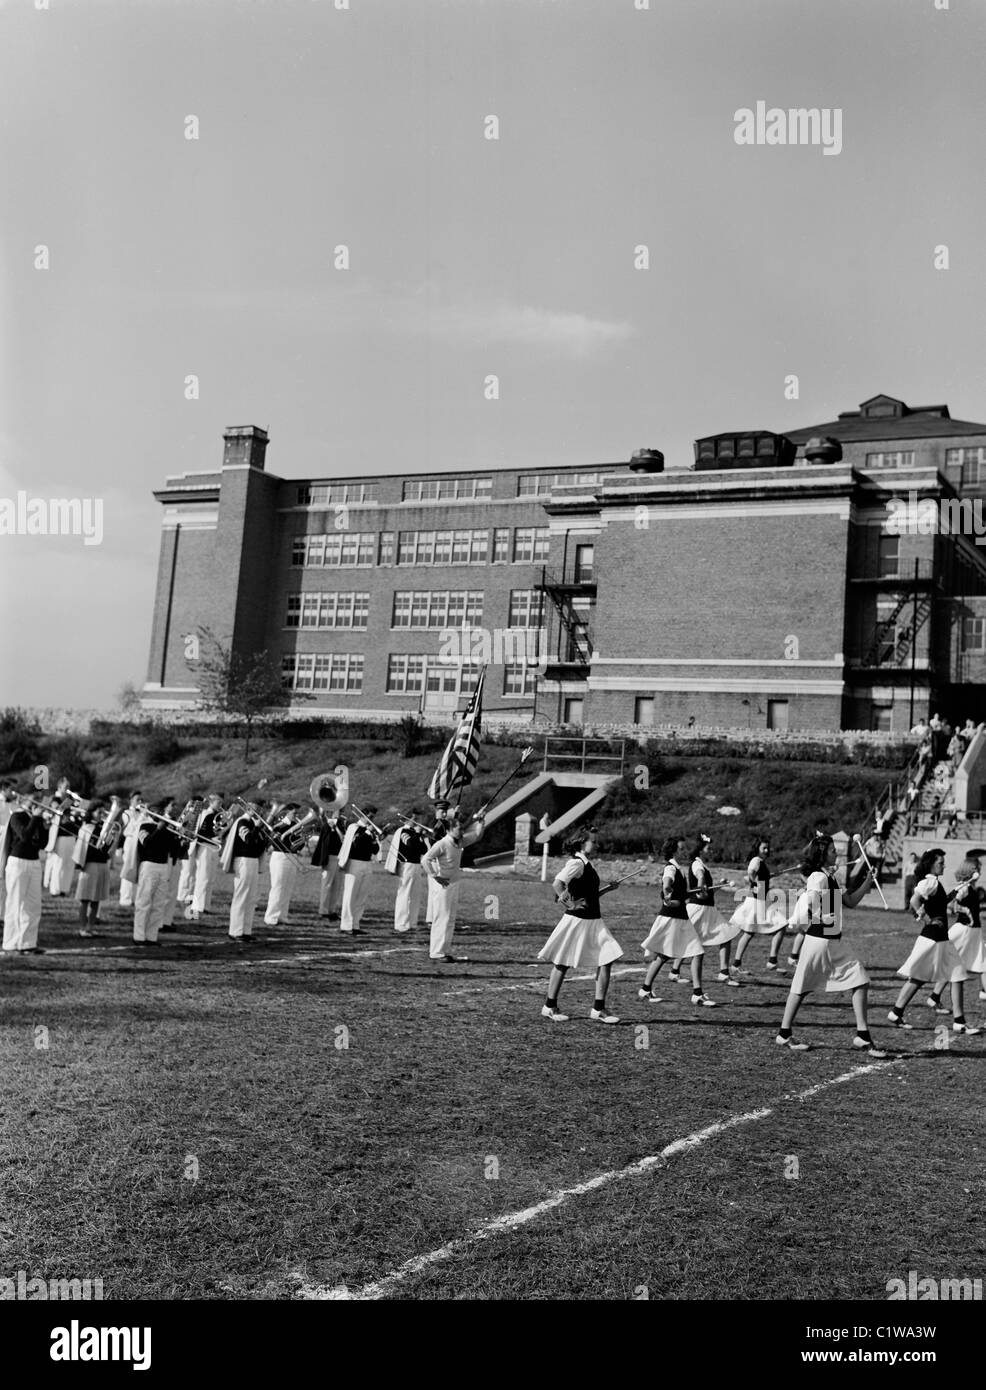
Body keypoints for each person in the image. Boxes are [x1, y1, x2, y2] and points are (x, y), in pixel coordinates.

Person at [775, 836, 886, 1055]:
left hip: (829, 941)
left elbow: (851, 901)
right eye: (833, 850)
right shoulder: (818, 876)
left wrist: (867, 881)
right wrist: (818, 916)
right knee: (803, 988)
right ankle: (784, 1033)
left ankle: (861, 1036)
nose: (836, 853)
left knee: (856, 980)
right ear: (822, 854)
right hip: (820, 941)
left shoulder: (830, 877)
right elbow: (810, 900)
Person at [888, 850, 981, 1035]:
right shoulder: (929, 882)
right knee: (921, 977)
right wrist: (927, 919)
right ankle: (896, 1012)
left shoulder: (934, 883)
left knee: (955, 975)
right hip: (932, 938)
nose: (944, 865)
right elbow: (914, 901)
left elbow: (942, 902)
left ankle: (958, 1021)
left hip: (940, 939)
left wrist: (957, 889)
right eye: (940, 862)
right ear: (931, 864)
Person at [539, 828, 623, 1023]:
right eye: (593, 841)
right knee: (562, 963)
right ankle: (549, 1006)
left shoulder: (586, 863)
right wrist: (571, 904)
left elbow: (589, 895)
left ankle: (598, 1009)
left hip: (594, 920)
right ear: (581, 843)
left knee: (607, 959)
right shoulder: (576, 863)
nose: (596, 844)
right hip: (578, 920)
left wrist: (607, 890)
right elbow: (557, 884)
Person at [638, 835, 716, 1007]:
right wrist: (667, 895)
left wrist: (695, 893)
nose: (684, 851)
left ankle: (646, 988)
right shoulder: (671, 868)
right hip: (672, 917)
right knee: (691, 953)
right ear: (673, 850)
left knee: (668, 955)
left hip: (680, 917)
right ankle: (697, 994)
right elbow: (667, 884)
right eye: (681, 848)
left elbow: (681, 894)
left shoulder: (679, 868)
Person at [683, 834, 741, 986]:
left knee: (726, 936)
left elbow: (707, 892)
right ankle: (673, 971)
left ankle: (723, 972)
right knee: (686, 940)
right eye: (708, 847)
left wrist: (719, 885)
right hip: (698, 909)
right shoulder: (697, 864)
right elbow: (699, 876)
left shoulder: (702, 863)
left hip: (708, 909)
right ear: (701, 849)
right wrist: (701, 883)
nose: (711, 850)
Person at [730, 838, 789, 974]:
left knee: (750, 933)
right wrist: (755, 883)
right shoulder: (756, 860)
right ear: (758, 849)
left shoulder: (760, 862)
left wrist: (768, 876)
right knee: (780, 925)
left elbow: (758, 875)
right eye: (764, 848)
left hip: (762, 901)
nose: (767, 850)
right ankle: (771, 961)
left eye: (768, 848)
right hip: (757, 901)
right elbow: (750, 872)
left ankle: (738, 964)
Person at [1, 796, 50, 953]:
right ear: (25, 801)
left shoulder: (36, 818)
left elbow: (43, 844)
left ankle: (28, 943)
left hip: (34, 862)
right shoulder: (17, 816)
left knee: (33, 905)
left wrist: (45, 826)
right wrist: (35, 818)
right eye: (34, 801)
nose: (38, 805)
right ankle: (10, 943)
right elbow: (24, 836)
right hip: (18, 862)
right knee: (14, 903)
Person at [421, 809, 468, 963]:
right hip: (444, 886)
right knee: (441, 918)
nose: (461, 831)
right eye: (459, 828)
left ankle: (444, 950)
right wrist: (435, 876)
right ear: (449, 830)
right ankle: (436, 952)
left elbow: (477, 835)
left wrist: (481, 821)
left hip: (454, 884)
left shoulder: (457, 843)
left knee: (450, 919)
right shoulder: (442, 843)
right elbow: (426, 860)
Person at [133, 799, 180, 946]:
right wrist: (159, 829)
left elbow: (174, 849)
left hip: (163, 867)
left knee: (158, 904)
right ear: (151, 814)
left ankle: (151, 936)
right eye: (158, 813)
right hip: (149, 866)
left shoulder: (167, 829)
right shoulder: (144, 826)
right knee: (144, 902)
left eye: (161, 813)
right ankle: (139, 936)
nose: (160, 815)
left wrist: (181, 838)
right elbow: (147, 843)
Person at [221, 801, 268, 942]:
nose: (259, 812)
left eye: (260, 809)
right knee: (241, 896)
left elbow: (258, 845)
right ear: (248, 809)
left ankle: (246, 930)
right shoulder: (242, 822)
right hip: (243, 860)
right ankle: (235, 931)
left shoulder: (254, 824)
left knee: (251, 897)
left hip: (252, 861)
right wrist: (258, 828)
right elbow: (248, 839)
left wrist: (266, 838)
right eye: (256, 809)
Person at [338, 810, 381, 936]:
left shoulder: (370, 831)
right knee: (350, 895)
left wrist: (373, 838)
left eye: (373, 817)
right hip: (354, 863)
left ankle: (356, 924)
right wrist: (368, 832)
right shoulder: (354, 828)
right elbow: (356, 844)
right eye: (370, 816)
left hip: (367, 863)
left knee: (362, 896)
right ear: (362, 816)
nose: (372, 819)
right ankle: (346, 925)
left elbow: (375, 850)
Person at [73, 801, 111, 937]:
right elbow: (88, 847)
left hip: (102, 864)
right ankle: (82, 928)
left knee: (97, 899)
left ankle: (90, 927)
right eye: (99, 812)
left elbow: (108, 848)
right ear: (92, 812)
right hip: (90, 864)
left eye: (103, 812)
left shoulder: (103, 827)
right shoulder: (87, 827)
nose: (101, 815)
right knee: (85, 898)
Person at [388, 811, 430, 935]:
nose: (416, 821)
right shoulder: (403, 832)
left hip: (417, 864)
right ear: (407, 820)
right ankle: (401, 924)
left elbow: (423, 849)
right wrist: (417, 834)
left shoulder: (415, 833)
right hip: (406, 865)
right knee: (404, 894)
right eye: (414, 818)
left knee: (415, 895)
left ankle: (412, 923)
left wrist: (420, 836)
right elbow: (410, 844)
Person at [264, 804, 303, 927]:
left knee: (287, 888)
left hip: (292, 856)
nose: (296, 816)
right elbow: (273, 842)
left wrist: (302, 840)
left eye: (297, 813)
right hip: (280, 856)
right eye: (294, 813)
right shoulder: (279, 826)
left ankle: (282, 916)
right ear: (287, 813)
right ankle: (271, 917)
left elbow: (299, 846)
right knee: (278, 887)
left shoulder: (297, 827)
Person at [187, 793, 224, 919]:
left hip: (213, 848)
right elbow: (200, 833)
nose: (220, 805)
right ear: (211, 802)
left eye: (221, 803)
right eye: (218, 802)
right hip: (205, 848)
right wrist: (212, 838)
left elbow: (217, 830)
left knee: (210, 878)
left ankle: (206, 905)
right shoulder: (206, 814)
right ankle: (197, 906)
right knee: (203, 878)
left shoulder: (216, 815)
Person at [312, 808, 345, 919]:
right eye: (339, 811)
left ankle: (332, 910)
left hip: (340, 857)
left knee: (337, 885)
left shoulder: (341, 825)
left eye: (341, 812)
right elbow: (324, 843)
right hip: (330, 857)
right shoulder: (326, 826)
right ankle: (323, 910)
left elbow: (343, 839)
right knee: (327, 884)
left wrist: (336, 828)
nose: (341, 814)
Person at [425, 800, 452, 926]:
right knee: (435, 891)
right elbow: (434, 840)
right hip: (436, 861)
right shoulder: (435, 824)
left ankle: (436, 916)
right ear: (437, 811)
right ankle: (432, 918)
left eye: (446, 811)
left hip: (443, 860)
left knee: (440, 891)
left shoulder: (445, 823)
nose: (444, 814)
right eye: (442, 811)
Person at [118, 792, 144, 909]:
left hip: (138, 842)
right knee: (128, 868)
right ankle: (125, 898)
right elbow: (132, 827)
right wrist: (142, 815)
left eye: (141, 800)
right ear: (131, 800)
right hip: (129, 841)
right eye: (137, 799)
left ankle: (134, 898)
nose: (140, 802)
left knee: (136, 869)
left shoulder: (141, 813)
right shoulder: (126, 813)